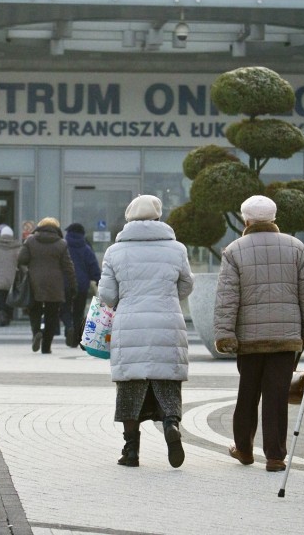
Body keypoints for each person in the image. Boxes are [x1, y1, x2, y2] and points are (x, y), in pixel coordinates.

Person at [213, 195, 304, 472]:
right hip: (285, 338)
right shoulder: (296, 247)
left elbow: (227, 298)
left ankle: (244, 449)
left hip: (249, 339)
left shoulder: (234, 250)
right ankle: (275, 456)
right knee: (276, 396)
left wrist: (225, 334)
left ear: (245, 219)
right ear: (273, 219)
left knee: (247, 393)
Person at [99, 195, 194, 468]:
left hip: (130, 325)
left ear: (129, 217)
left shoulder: (115, 251)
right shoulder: (177, 249)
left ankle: (131, 452)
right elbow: (186, 285)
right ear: (158, 216)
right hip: (167, 322)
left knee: (130, 388)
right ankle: (170, 425)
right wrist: (166, 296)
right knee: (167, 381)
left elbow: (107, 294)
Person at [17, 217, 77, 354]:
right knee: (52, 314)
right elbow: (68, 267)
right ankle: (46, 346)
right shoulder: (61, 244)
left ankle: (37, 332)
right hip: (55, 284)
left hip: (34, 281)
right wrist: (73, 285)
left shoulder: (30, 240)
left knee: (34, 310)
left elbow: (21, 259)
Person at [62, 223, 101, 347]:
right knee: (79, 312)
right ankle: (76, 338)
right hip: (82, 285)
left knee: (64, 309)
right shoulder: (86, 248)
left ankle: (69, 327)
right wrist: (98, 279)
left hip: (65, 284)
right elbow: (92, 265)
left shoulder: (63, 246)